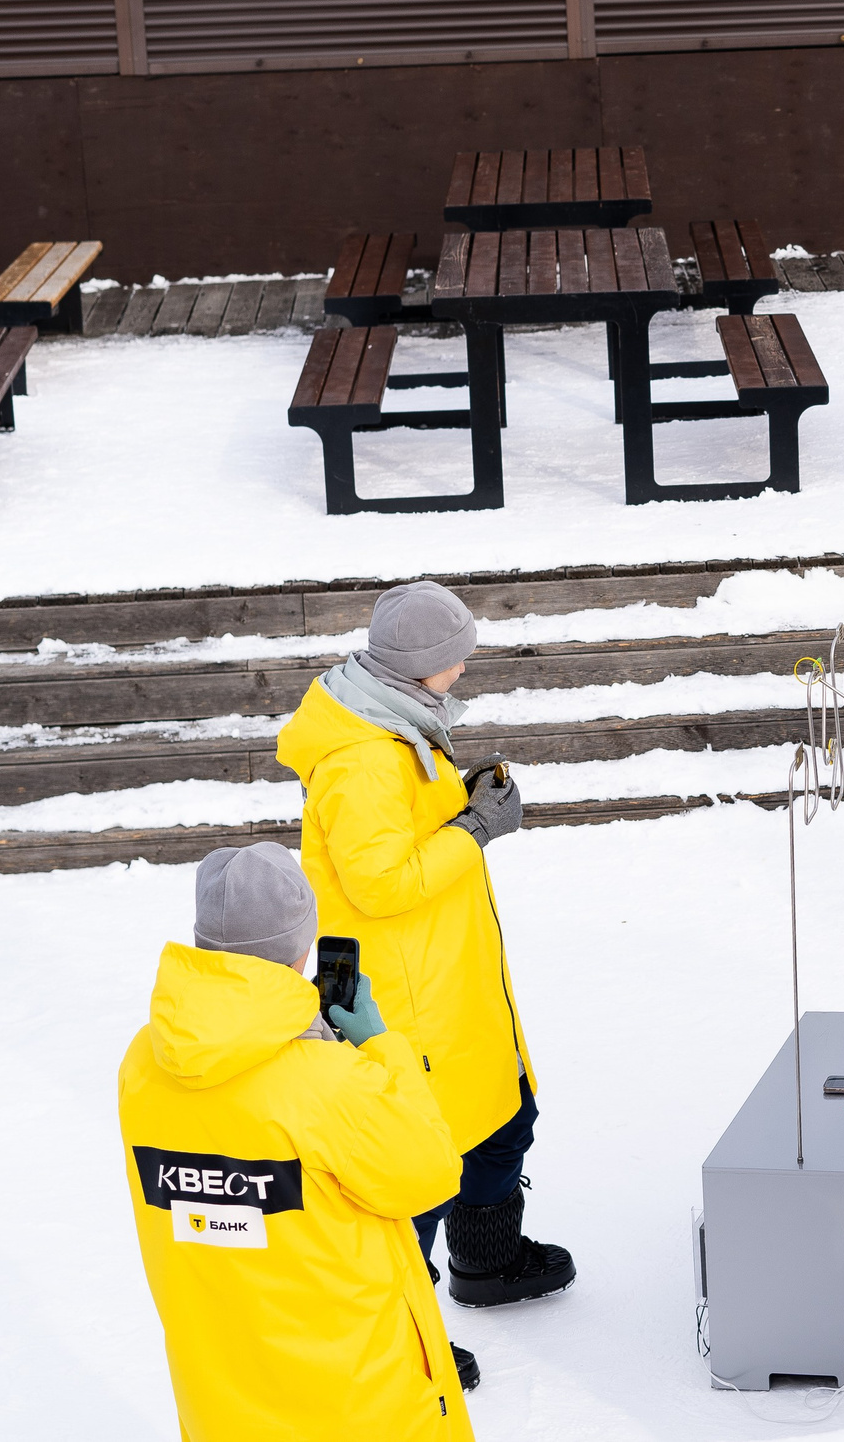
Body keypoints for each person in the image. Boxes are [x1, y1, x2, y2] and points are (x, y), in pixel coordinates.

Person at [277, 580, 572, 1358]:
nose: (465, 669)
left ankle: (488, 1259)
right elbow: (377, 882)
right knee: (416, 1167)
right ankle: (405, 1339)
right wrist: (474, 828)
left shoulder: (395, 717)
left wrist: (461, 802)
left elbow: (401, 836)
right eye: (456, 658)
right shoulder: (360, 757)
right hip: (390, 991)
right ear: (418, 667)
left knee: (505, 1119)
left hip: (438, 975)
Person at [118, 841, 474, 1438]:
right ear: (302, 946)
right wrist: (380, 1048)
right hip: (351, 1399)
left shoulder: (143, 1061)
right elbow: (429, 1172)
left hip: (221, 1395)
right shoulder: (325, 1080)